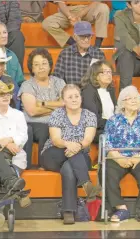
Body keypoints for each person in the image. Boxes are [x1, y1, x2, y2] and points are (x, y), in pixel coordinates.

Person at [40, 84, 101, 225]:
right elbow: (55, 140)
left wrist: (77, 146)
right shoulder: (57, 114)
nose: (74, 99)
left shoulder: (89, 115)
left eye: (76, 96)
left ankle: (68, 211)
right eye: (70, 97)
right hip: (54, 153)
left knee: (68, 168)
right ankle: (86, 184)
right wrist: (69, 145)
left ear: (81, 98)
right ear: (64, 101)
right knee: (71, 158)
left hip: (80, 153)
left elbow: (87, 140)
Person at [102, 86, 140, 223]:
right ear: (122, 102)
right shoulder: (113, 120)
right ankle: (121, 209)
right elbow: (108, 145)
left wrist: (138, 157)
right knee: (106, 169)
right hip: (118, 158)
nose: (134, 101)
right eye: (130, 98)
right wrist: (120, 158)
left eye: (136, 98)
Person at [19, 48, 66, 168]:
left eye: (44, 63)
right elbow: (33, 111)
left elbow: (65, 104)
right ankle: (42, 165)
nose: (41, 67)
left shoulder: (59, 82)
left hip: (58, 123)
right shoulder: (27, 85)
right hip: (33, 124)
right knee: (46, 128)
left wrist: (42, 103)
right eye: (36, 64)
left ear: (50, 65)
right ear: (32, 68)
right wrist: (56, 106)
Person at [42, 1, 109, 48]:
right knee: (47, 23)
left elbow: (97, 1)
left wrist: (82, 13)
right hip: (68, 10)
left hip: (90, 9)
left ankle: (97, 47)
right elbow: (60, 2)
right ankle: (75, 45)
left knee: (104, 8)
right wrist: (70, 16)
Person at [81, 60, 117, 144]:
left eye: (110, 72)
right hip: (96, 130)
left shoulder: (111, 90)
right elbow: (93, 119)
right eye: (105, 72)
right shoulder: (88, 91)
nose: (109, 74)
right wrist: (114, 124)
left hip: (112, 127)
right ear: (96, 75)